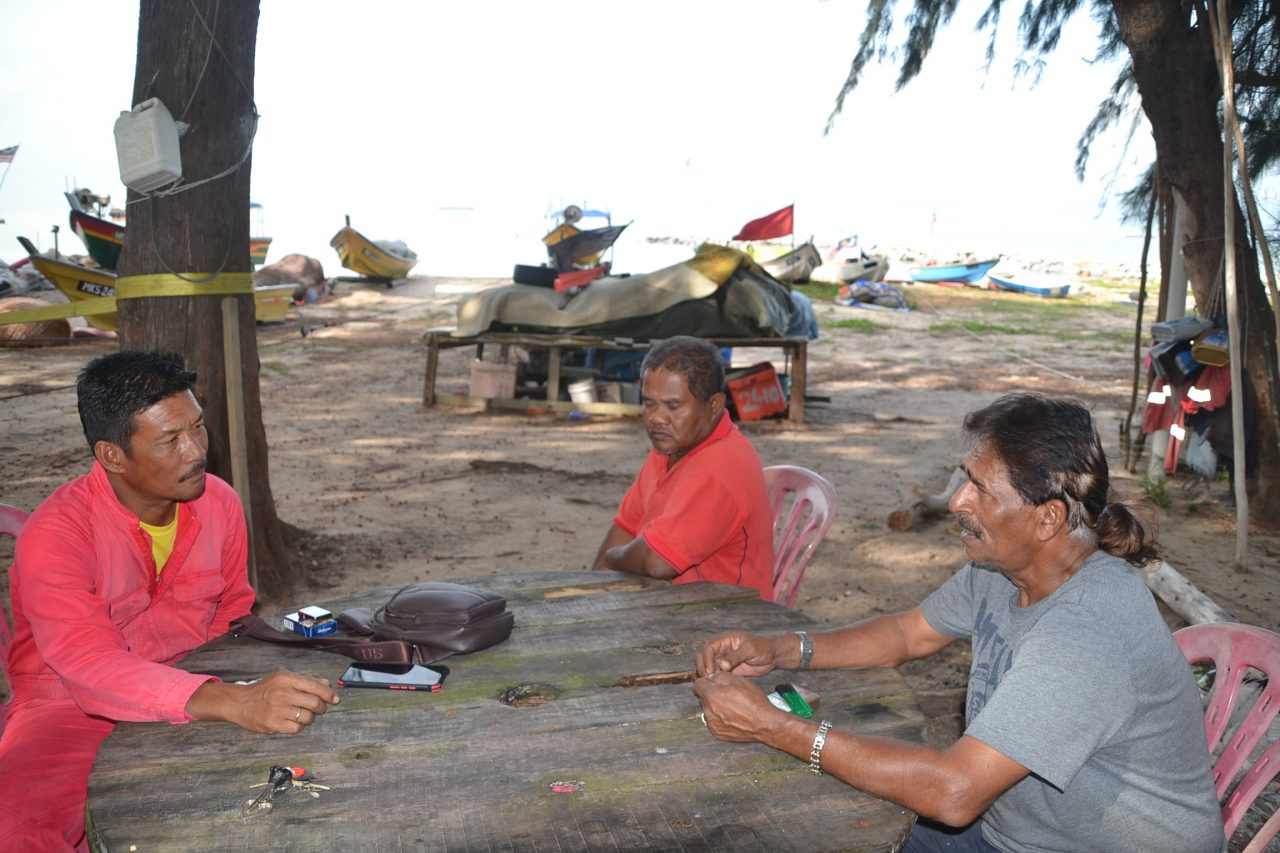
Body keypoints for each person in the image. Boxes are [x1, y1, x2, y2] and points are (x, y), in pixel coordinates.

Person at [693, 393, 1223, 852]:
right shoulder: (1004, 568)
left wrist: (774, 726)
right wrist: (782, 649)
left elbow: (953, 793)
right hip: (1012, 833)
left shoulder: (1085, 631)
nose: (956, 502)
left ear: (1048, 519)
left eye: (979, 489)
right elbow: (909, 633)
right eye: (963, 480)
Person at [0, 351, 340, 849]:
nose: (196, 451)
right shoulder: (56, 536)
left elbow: (231, 614)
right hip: (67, 706)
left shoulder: (218, 502)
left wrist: (235, 688)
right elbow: (87, 664)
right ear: (112, 455)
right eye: (170, 440)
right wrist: (231, 700)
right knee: (16, 831)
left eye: (197, 428)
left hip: (197, 679)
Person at [591, 336, 775, 599]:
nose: (656, 418)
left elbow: (657, 562)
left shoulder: (722, 464)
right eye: (649, 403)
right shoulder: (669, 448)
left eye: (673, 406)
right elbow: (627, 526)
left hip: (725, 620)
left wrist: (613, 559)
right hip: (671, 604)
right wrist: (591, 591)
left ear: (714, 406)